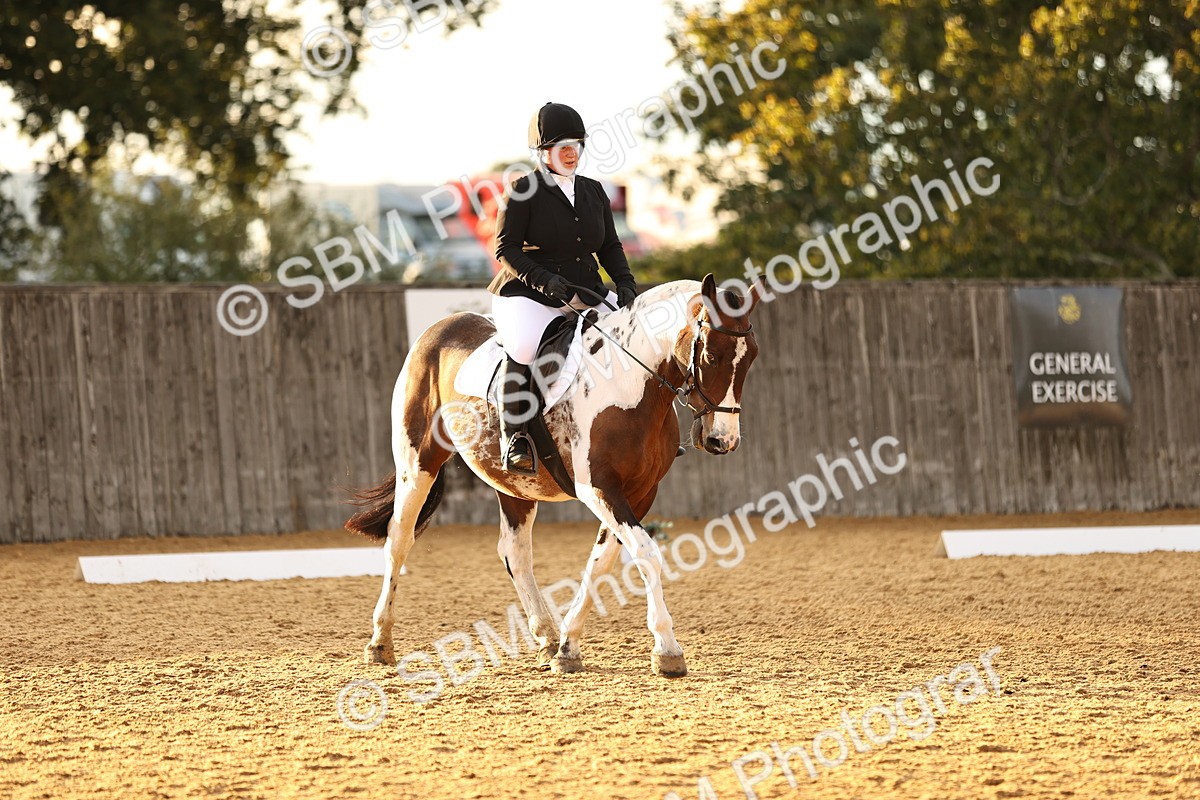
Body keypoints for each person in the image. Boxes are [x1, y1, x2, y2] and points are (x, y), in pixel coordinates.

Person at [488, 101, 638, 475]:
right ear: (543, 153)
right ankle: (515, 437)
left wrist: (625, 283)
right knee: (523, 346)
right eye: (562, 147)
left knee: (631, 339)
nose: (572, 153)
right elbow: (505, 248)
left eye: (577, 145)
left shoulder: (593, 191)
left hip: (584, 291)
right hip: (528, 293)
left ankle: (639, 428)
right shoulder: (524, 189)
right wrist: (545, 281)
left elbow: (609, 247)